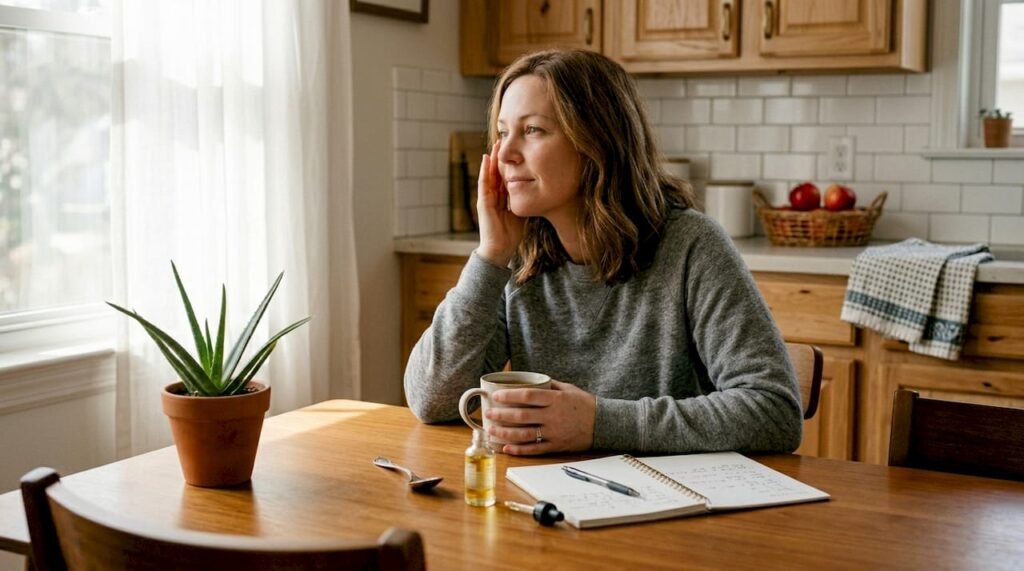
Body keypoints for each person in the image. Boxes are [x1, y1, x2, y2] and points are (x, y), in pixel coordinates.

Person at [404, 49, 802, 456]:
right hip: (550, 500)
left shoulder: (692, 247)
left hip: (672, 504)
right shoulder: (519, 255)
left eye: (534, 130)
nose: (505, 154)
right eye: (503, 132)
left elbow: (774, 412)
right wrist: (489, 256)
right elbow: (431, 399)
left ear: (596, 142)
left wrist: (597, 423)